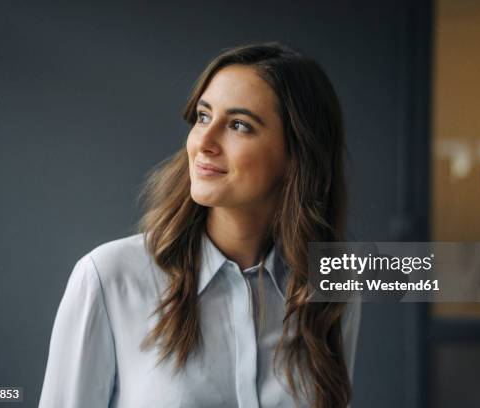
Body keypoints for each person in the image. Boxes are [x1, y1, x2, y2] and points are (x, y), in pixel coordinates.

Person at [38, 42, 361, 408]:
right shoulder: (108, 276)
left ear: (296, 154)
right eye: (203, 117)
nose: (203, 142)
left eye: (239, 125)